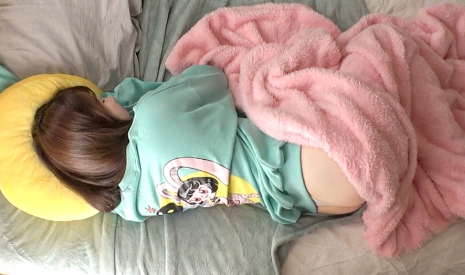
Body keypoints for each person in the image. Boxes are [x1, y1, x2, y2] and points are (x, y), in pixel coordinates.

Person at [32, 64, 365, 224]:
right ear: (99, 128)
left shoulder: (127, 205)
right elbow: (210, 78)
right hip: (308, 160)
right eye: (100, 102)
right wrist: (132, 101)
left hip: (311, 202)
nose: (107, 96)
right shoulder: (153, 117)